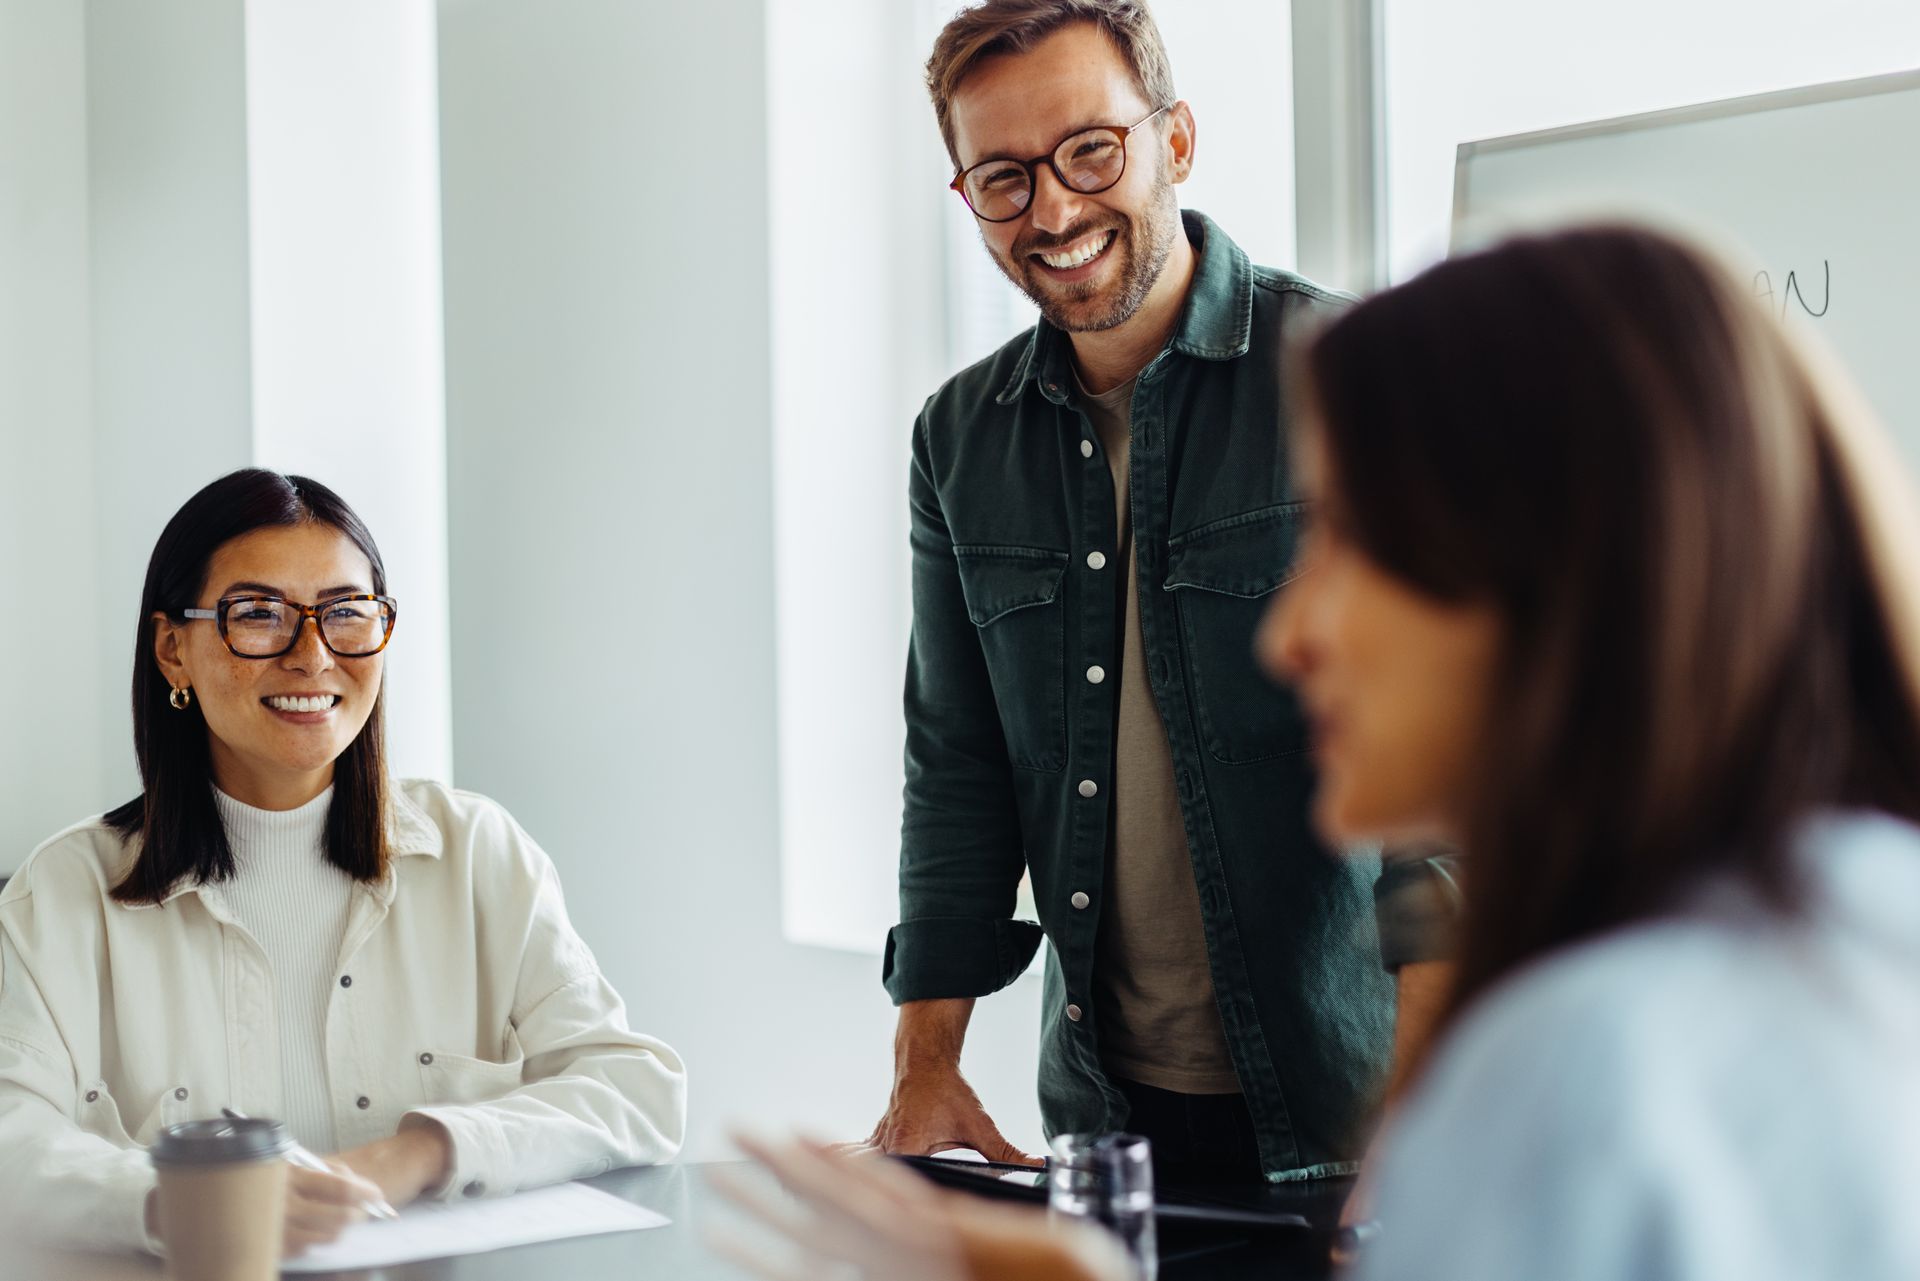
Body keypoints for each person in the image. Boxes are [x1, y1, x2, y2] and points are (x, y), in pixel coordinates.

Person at [722, 224, 1920, 1279]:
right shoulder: (1862, 926)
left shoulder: (1577, 1073)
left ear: (1556, 576)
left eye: (1353, 540)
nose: (1289, 634)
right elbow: (955, 756)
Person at [867, 0, 1454, 1188]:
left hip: (1351, 1114)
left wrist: (1430, 1105)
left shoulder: (1351, 380)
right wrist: (926, 1061)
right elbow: (956, 764)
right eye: (1002, 178)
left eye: (1091, 150)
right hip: (1104, 1126)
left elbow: (1441, 801)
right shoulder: (957, 441)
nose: (1055, 209)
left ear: (1175, 141)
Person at [0, 469, 688, 1258]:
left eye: (346, 615)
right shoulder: (60, 895)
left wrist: (414, 1154)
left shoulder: (478, 854)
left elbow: (634, 1089)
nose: (313, 654)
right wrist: (192, 1204)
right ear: (172, 650)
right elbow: (10, 1141)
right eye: (257, 614)